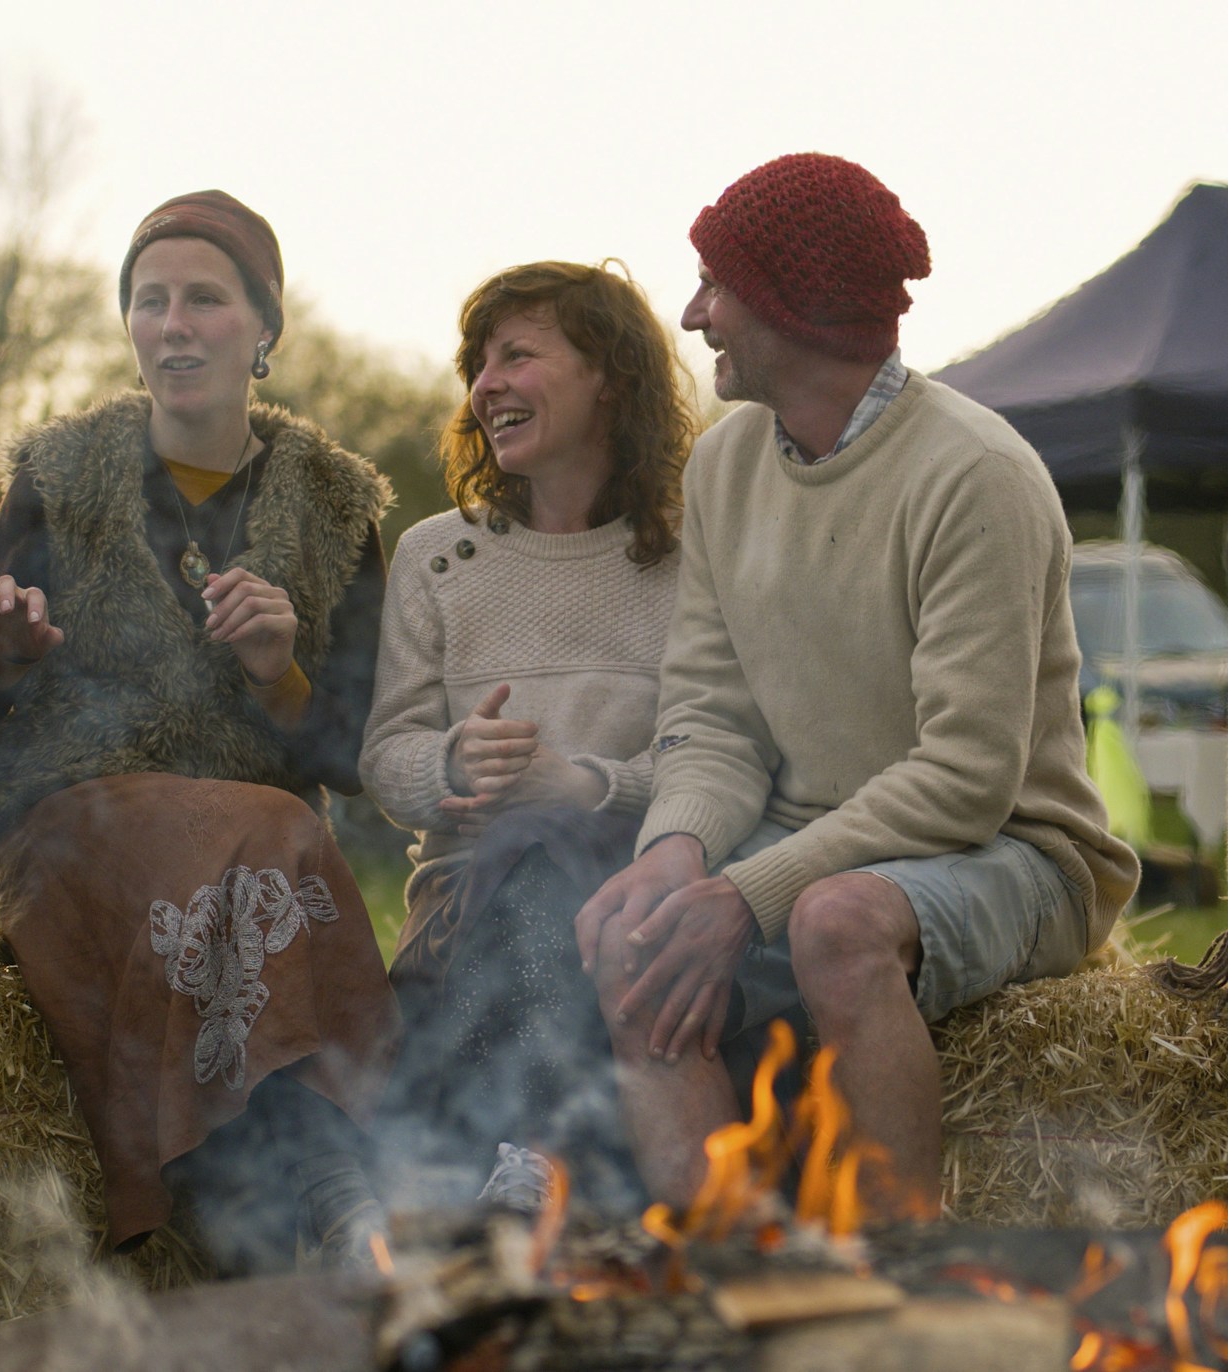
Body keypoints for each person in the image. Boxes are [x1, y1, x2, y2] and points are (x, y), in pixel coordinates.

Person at [576, 153, 1140, 1215]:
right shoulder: (725, 465)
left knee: (836, 924)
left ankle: (899, 1291)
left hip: (1018, 850)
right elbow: (711, 718)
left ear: (793, 309)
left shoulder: (974, 476)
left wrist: (746, 899)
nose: (694, 313)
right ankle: (728, 1274)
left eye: (716, 284)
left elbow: (969, 780)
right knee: (628, 929)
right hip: (815, 831)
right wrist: (678, 853)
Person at [0, 190, 397, 1272]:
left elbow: (353, 755)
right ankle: (339, 1186)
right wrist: (3, 653)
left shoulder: (336, 507)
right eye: (151, 301)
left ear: (264, 329)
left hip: (252, 847)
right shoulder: (59, 475)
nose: (174, 324)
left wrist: (275, 670)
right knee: (264, 839)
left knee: (266, 837)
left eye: (204, 298)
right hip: (68, 826)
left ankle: (252, 1232)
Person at [361, 261, 695, 1211]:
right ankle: (536, 1157)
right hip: (466, 902)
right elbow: (387, 758)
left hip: (637, 893)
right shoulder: (439, 556)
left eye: (519, 354)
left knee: (551, 841)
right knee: (522, 845)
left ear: (611, 379)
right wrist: (452, 762)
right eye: (478, 363)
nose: (486, 383)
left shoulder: (687, 560)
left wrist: (581, 786)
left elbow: (714, 754)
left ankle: (478, 1164)